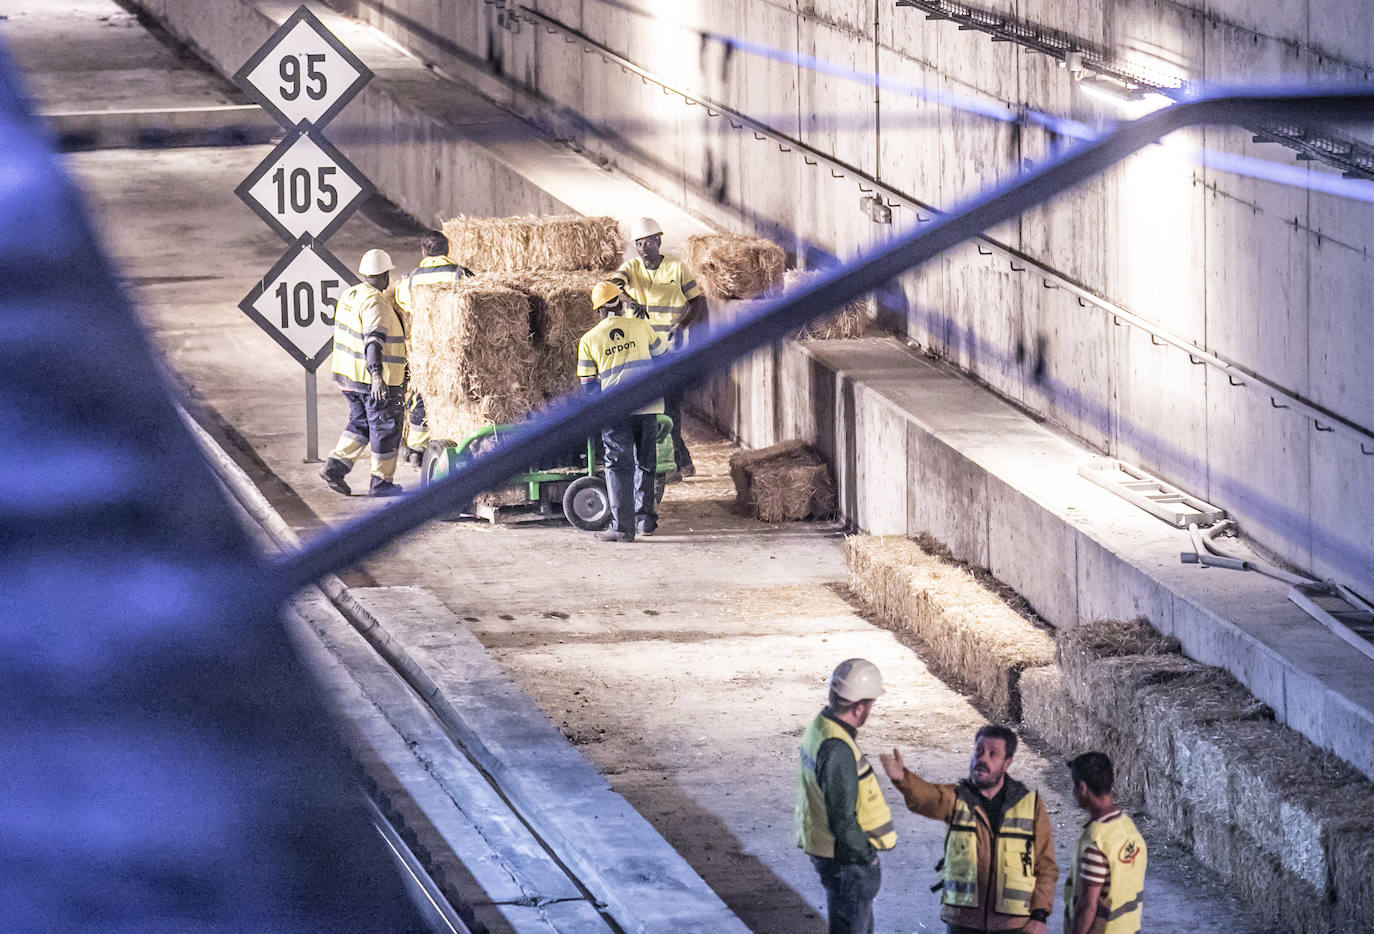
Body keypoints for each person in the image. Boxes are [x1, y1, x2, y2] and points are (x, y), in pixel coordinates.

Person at [880, 725, 1056, 934]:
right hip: (963, 922)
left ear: (1007, 762)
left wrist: (1039, 916)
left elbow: (1045, 866)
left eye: (993, 754)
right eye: (978, 751)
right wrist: (903, 778)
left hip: (1012, 925)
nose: (983, 759)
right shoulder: (956, 798)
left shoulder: (1030, 804)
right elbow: (927, 797)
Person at [795, 658, 897, 934]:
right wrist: (867, 856)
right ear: (860, 706)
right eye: (871, 703)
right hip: (846, 858)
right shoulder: (838, 748)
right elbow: (842, 820)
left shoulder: (820, 726)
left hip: (831, 851)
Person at [609, 217, 705, 478]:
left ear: (658, 241)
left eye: (648, 242)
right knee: (651, 411)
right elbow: (610, 287)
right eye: (639, 243)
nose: (643, 248)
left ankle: (678, 463)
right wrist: (629, 300)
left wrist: (681, 326)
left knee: (670, 409)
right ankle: (677, 462)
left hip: (671, 353)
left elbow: (697, 302)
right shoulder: (631, 268)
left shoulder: (677, 269)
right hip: (642, 354)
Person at [576, 281, 667, 541]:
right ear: (621, 302)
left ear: (598, 310)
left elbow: (589, 386)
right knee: (646, 463)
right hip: (648, 405)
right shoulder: (641, 326)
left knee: (617, 466)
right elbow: (663, 358)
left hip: (616, 411)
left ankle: (622, 528)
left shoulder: (589, 339)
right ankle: (645, 523)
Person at [320, 248, 407, 497]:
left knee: (361, 424)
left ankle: (334, 468)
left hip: (348, 376)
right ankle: (381, 483)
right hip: (371, 380)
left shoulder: (351, 294)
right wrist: (377, 376)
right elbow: (374, 341)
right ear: (383, 276)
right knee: (384, 427)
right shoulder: (375, 301)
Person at [393, 230, 474, 466]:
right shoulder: (460, 273)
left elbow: (404, 303)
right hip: (453, 345)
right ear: (447, 250)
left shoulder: (410, 279)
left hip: (424, 347)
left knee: (422, 393)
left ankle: (417, 448)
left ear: (423, 251)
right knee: (455, 393)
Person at [1063, 752, 1146, 934]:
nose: (1073, 792)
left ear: (1083, 788)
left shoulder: (1096, 843)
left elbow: (1088, 906)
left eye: (1074, 786)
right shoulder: (1129, 830)